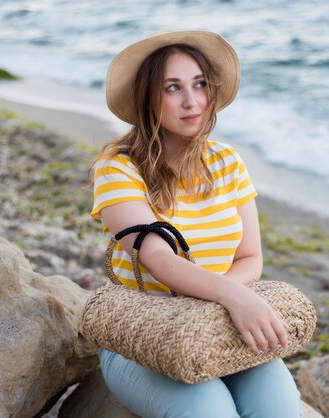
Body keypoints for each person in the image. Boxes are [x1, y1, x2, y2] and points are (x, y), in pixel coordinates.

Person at [90, 30, 301, 418]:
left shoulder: (227, 162)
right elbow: (159, 259)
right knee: (211, 411)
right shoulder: (117, 167)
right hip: (142, 336)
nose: (192, 101)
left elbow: (251, 256)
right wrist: (236, 298)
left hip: (219, 328)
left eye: (200, 84)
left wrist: (218, 306)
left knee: (283, 412)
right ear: (148, 97)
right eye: (173, 88)